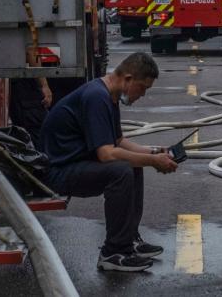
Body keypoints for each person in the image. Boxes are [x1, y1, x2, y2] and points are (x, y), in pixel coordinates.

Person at [38, 52, 178, 272]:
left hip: (74, 164)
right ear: (128, 79)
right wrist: (152, 160)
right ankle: (113, 252)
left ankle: (128, 239)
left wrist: (154, 152)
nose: (142, 95)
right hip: (57, 172)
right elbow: (106, 154)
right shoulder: (97, 97)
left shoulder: (108, 95)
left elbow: (118, 141)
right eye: (142, 88)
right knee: (121, 171)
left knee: (135, 163)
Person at [8, 48, 54, 145]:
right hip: (22, 80)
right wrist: (44, 85)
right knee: (38, 132)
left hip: (14, 78)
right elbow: (30, 50)